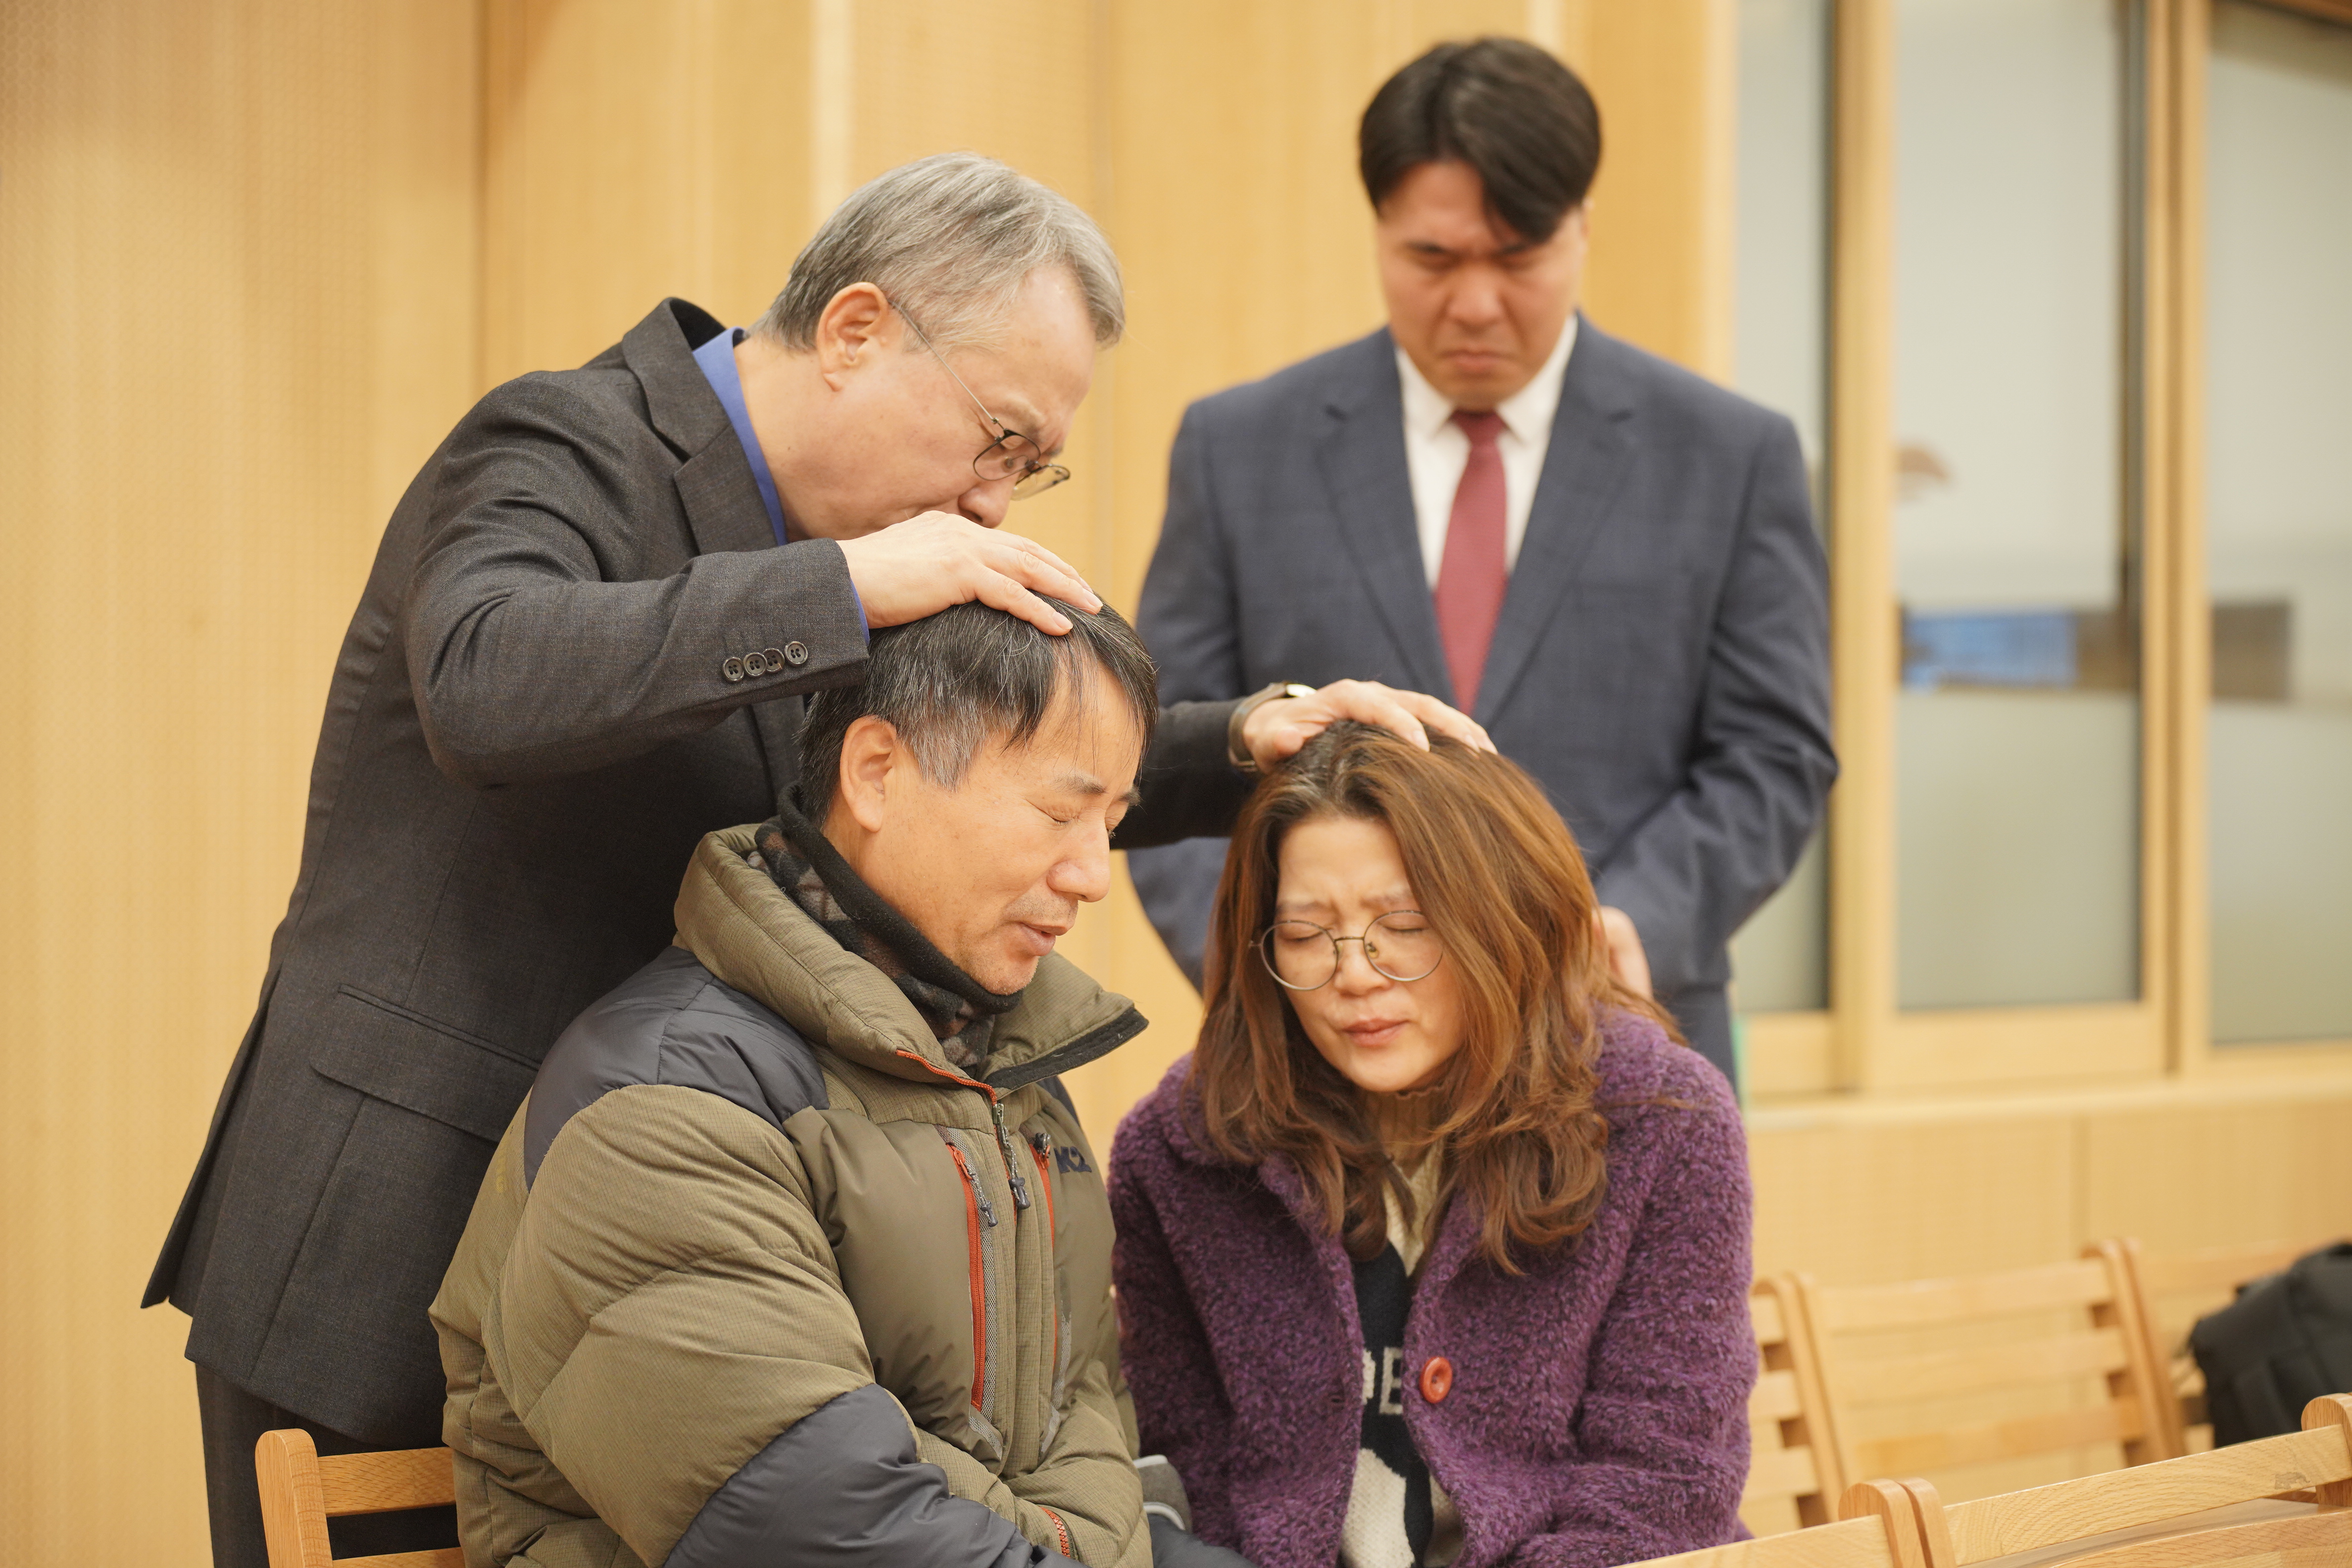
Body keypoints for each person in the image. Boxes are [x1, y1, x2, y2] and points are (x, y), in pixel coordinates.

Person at [147, 150, 1473, 1567]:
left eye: (1030, 466)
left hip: (692, 1249)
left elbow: (961, 793)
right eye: (998, 439)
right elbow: (482, 677)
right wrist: (837, 589)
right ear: (855, 330)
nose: (996, 503)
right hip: (398, 1234)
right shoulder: (567, 441)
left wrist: (1246, 740)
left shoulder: (850, 559)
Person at [436, 597, 1242, 1568]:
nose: (1094, 875)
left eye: (1111, 822)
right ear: (876, 773)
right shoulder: (663, 1105)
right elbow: (817, 1525)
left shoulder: (1009, 1073)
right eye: (1060, 813)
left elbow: (1087, 1423)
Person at [1128, 38, 1835, 1084]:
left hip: (1615, 1040)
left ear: (1581, 228)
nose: (1473, 303)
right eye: (1432, 259)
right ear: (1379, 231)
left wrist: (1629, 925)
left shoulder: (1730, 456)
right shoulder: (1238, 450)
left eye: (1515, 259)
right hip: (1318, 1065)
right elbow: (1160, 752)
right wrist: (1276, 973)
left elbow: (1775, 754)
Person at [1109, 723, 1756, 1568]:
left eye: (1405, 923)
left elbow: (1664, 1488)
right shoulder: (1181, 1152)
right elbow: (1190, 1469)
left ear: (1507, 916)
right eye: (1304, 935)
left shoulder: (1663, 1120)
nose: (1354, 973)